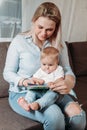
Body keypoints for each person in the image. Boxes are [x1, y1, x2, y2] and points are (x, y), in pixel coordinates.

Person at [3, 2, 86, 130]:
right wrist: (25, 82)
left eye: (49, 29)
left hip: (52, 91)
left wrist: (69, 81)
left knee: (79, 117)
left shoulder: (58, 43)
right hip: (24, 92)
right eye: (40, 27)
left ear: (56, 28)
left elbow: (67, 69)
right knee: (55, 117)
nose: (43, 33)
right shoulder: (19, 42)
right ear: (33, 21)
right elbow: (7, 73)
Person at [18, 47, 65, 111]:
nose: (47, 67)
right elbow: (34, 78)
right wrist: (38, 81)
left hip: (51, 90)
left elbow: (60, 79)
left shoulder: (59, 69)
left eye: (50, 65)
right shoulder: (40, 70)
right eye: (44, 64)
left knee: (52, 94)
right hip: (41, 89)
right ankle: (27, 102)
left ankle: (38, 104)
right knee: (32, 90)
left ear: (57, 62)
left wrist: (53, 83)